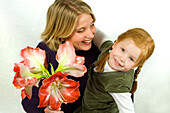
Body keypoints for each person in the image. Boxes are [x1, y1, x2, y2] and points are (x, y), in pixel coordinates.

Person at [21, 0, 109, 113]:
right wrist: (44, 111)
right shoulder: (44, 51)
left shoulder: (101, 54)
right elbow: (29, 98)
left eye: (92, 25)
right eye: (81, 30)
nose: (91, 34)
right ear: (61, 34)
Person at [74, 28, 155, 113]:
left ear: (136, 65)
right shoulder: (108, 50)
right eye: (123, 50)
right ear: (115, 43)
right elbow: (98, 36)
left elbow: (127, 110)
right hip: (86, 108)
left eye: (131, 59)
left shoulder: (119, 84)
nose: (122, 58)